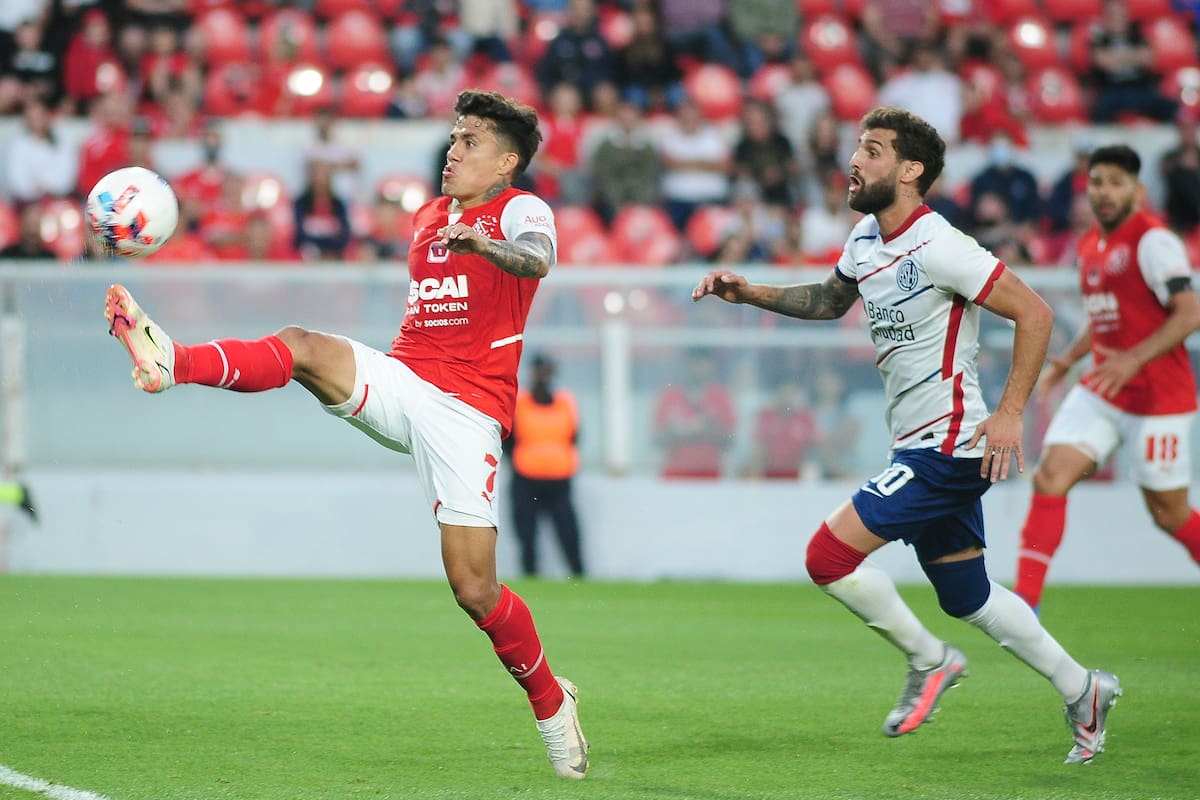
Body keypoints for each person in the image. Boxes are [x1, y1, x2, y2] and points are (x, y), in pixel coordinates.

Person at [102, 90, 588, 780]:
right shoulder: (426, 217)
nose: (453, 151)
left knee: (474, 589)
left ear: (507, 160)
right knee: (301, 344)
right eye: (453, 139)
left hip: (467, 412)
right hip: (406, 377)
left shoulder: (520, 209)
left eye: (471, 142)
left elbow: (536, 259)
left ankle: (550, 700)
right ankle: (171, 361)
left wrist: (485, 241)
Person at [691, 106, 1120, 764]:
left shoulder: (943, 246)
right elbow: (832, 301)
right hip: (918, 443)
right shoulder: (865, 238)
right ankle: (1083, 689)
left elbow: (1033, 313)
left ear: (910, 170)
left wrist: (1010, 412)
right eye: (857, 148)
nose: (854, 161)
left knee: (826, 557)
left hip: (949, 444)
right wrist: (750, 293)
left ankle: (929, 661)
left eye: (871, 150)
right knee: (967, 596)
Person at [1013, 144, 1200, 611]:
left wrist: (1134, 359)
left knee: (1169, 514)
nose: (1105, 192)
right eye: (1097, 182)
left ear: (1136, 190)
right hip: (1105, 389)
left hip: (1159, 398)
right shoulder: (1089, 244)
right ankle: (1024, 605)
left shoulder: (1153, 241)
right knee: (1051, 475)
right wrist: (1069, 360)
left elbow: (1190, 312)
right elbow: (1108, 315)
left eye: (1116, 182)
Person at [503, 353, 585, 577]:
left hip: (559, 480)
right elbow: (507, 439)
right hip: (526, 479)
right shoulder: (520, 402)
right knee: (527, 535)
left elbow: (573, 435)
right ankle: (530, 578)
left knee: (569, 533)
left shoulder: (565, 402)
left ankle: (579, 577)